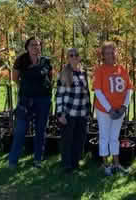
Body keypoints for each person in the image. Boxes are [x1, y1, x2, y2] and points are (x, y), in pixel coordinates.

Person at [9, 37, 52, 169]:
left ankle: (38, 159)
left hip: (43, 101)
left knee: (40, 131)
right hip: (26, 101)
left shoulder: (46, 61)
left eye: (38, 45)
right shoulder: (21, 60)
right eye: (33, 45)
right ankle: (13, 161)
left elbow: (50, 77)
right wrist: (27, 88)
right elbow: (15, 78)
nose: (36, 47)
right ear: (27, 47)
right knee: (21, 130)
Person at [93, 41, 132, 176]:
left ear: (116, 53)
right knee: (104, 136)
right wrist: (109, 109)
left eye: (112, 52)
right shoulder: (100, 70)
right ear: (103, 55)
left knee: (114, 137)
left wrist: (124, 106)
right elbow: (97, 91)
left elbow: (129, 89)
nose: (110, 55)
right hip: (104, 110)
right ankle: (105, 164)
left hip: (119, 110)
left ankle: (116, 163)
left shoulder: (122, 69)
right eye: (107, 53)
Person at [56, 48, 91, 173]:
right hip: (69, 113)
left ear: (79, 57)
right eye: (71, 55)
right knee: (67, 140)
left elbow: (86, 93)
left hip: (81, 113)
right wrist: (60, 114)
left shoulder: (83, 73)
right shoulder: (64, 73)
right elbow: (59, 96)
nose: (74, 57)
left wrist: (88, 110)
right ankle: (67, 165)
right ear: (68, 58)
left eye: (76, 55)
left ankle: (75, 163)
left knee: (79, 140)